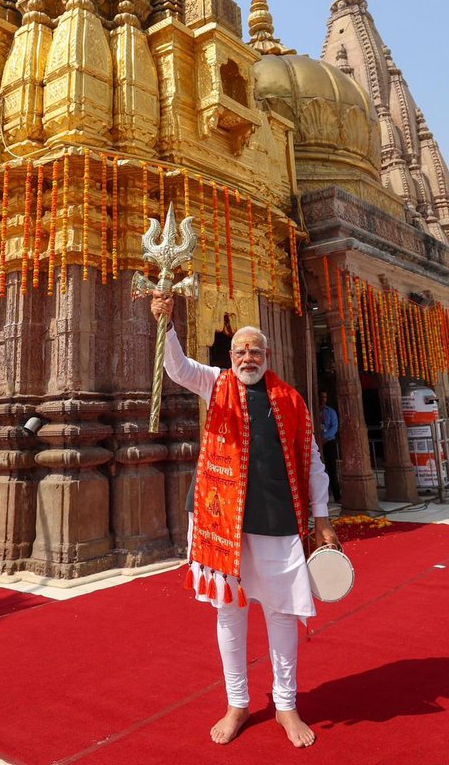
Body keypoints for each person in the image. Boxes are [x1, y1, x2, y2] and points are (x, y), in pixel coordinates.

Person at [151, 292, 340, 748]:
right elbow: (177, 369)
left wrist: (323, 518)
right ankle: (237, 702)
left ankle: (286, 705)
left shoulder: (290, 399)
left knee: (281, 614)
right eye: (240, 351)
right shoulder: (215, 383)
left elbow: (312, 461)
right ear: (230, 357)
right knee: (230, 615)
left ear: (266, 356)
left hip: (279, 523)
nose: (247, 357)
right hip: (222, 525)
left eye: (254, 350)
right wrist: (166, 323)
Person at [318, 390, 341, 503]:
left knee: (332, 469)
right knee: (319, 470)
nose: (323, 399)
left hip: (329, 443)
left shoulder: (330, 412)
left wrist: (324, 438)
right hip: (317, 444)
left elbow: (334, 427)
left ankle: (337, 496)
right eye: (321, 397)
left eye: (325, 397)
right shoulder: (315, 411)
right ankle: (322, 497)